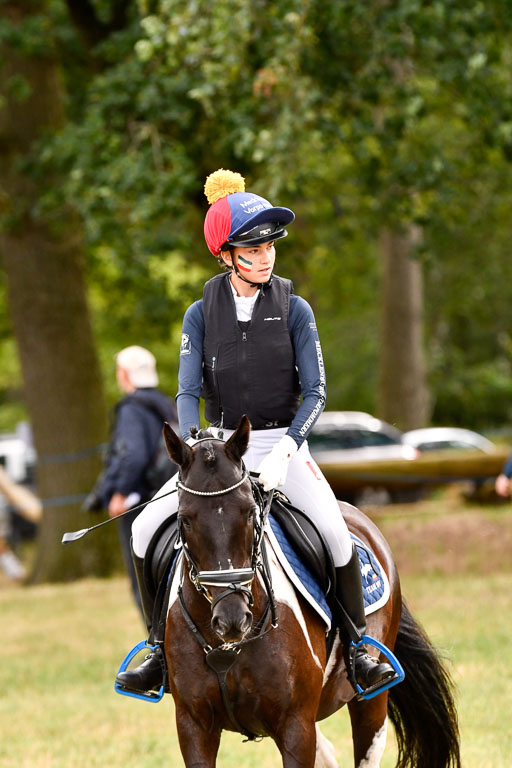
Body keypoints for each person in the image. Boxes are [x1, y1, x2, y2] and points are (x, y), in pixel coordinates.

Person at [116, 169, 394, 694]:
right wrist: (196, 444)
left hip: (281, 444)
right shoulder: (199, 314)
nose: (265, 255)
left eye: (269, 245)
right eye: (252, 246)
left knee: (335, 532)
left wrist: (285, 451)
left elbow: (315, 394)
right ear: (225, 254)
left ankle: (357, 648)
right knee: (141, 529)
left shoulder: (296, 309)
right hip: (217, 450)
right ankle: (156, 647)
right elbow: (185, 391)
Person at [84, 345, 178, 614]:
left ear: (124, 374)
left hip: (138, 505)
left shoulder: (131, 410)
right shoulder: (166, 406)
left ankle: (157, 649)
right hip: (166, 498)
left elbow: (133, 455)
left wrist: (119, 493)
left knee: (143, 583)